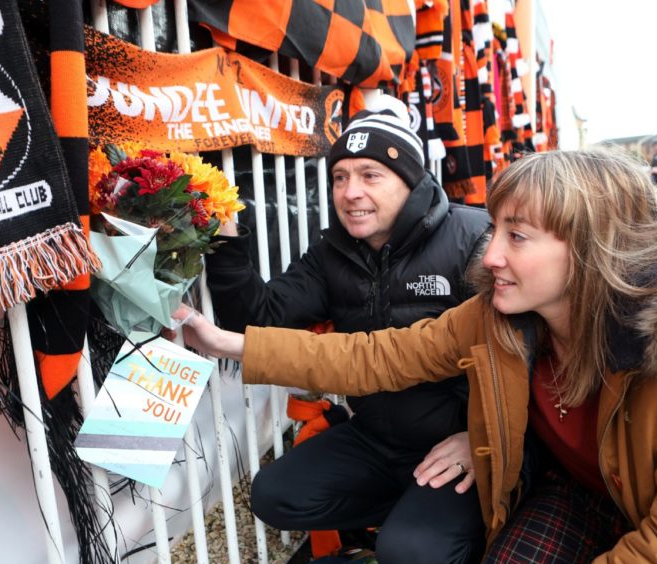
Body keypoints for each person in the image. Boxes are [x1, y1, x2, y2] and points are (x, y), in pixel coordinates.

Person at [176, 148, 657, 561]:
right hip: (569, 492)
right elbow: (374, 358)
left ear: (590, 249)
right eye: (495, 231)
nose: (489, 259)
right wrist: (230, 343)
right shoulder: (496, 317)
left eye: (518, 235)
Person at [203, 95, 489, 563]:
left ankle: (448, 533)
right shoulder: (334, 251)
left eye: (370, 175)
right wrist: (225, 236)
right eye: (340, 177)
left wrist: (480, 441)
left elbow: (520, 362)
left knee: (410, 551)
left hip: (459, 443)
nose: (350, 192)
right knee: (275, 495)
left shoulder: (472, 240)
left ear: (411, 180)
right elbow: (260, 317)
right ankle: (411, 514)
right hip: (377, 439)